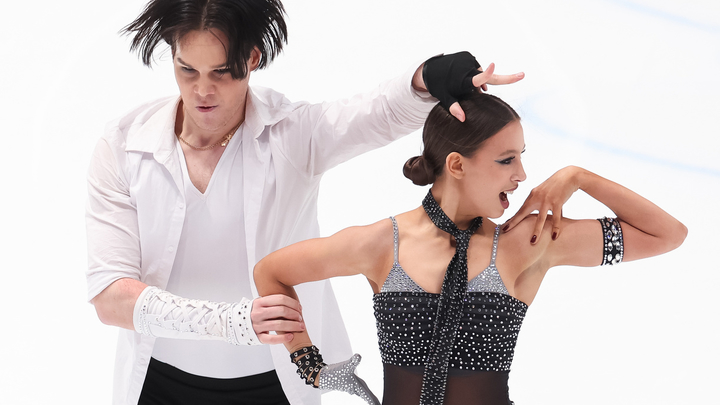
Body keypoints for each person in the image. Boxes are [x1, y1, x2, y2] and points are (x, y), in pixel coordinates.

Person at [84, 0, 524, 404]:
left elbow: (376, 113)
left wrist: (426, 77)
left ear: (252, 58)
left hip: (273, 386)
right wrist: (232, 322)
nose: (203, 90)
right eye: (187, 70)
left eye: (221, 72)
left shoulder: (293, 135)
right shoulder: (124, 146)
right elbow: (110, 297)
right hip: (158, 385)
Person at [253, 92, 688, 405]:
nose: (522, 175)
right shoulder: (382, 243)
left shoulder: (528, 242)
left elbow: (666, 235)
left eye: (521, 157)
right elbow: (271, 272)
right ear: (457, 164)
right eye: (506, 159)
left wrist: (578, 177)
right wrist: (309, 364)